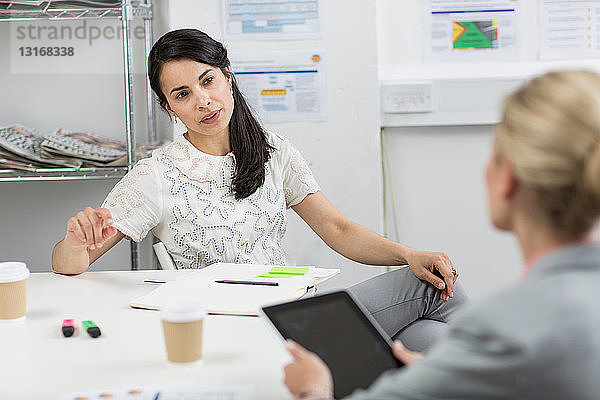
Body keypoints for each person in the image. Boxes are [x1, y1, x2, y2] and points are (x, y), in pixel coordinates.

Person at [51, 29, 466, 348]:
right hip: (239, 331)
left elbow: (338, 231)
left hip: (297, 309)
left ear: (228, 77)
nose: (203, 101)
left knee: (430, 340)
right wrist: (76, 238)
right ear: (169, 107)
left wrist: (406, 253)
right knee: (435, 286)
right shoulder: (157, 175)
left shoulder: (272, 151)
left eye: (208, 81)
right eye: (182, 93)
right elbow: (69, 263)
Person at [282, 69, 600, 399]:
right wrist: (447, 378)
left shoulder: (503, 329)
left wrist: (314, 387)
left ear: (508, 179)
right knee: (422, 330)